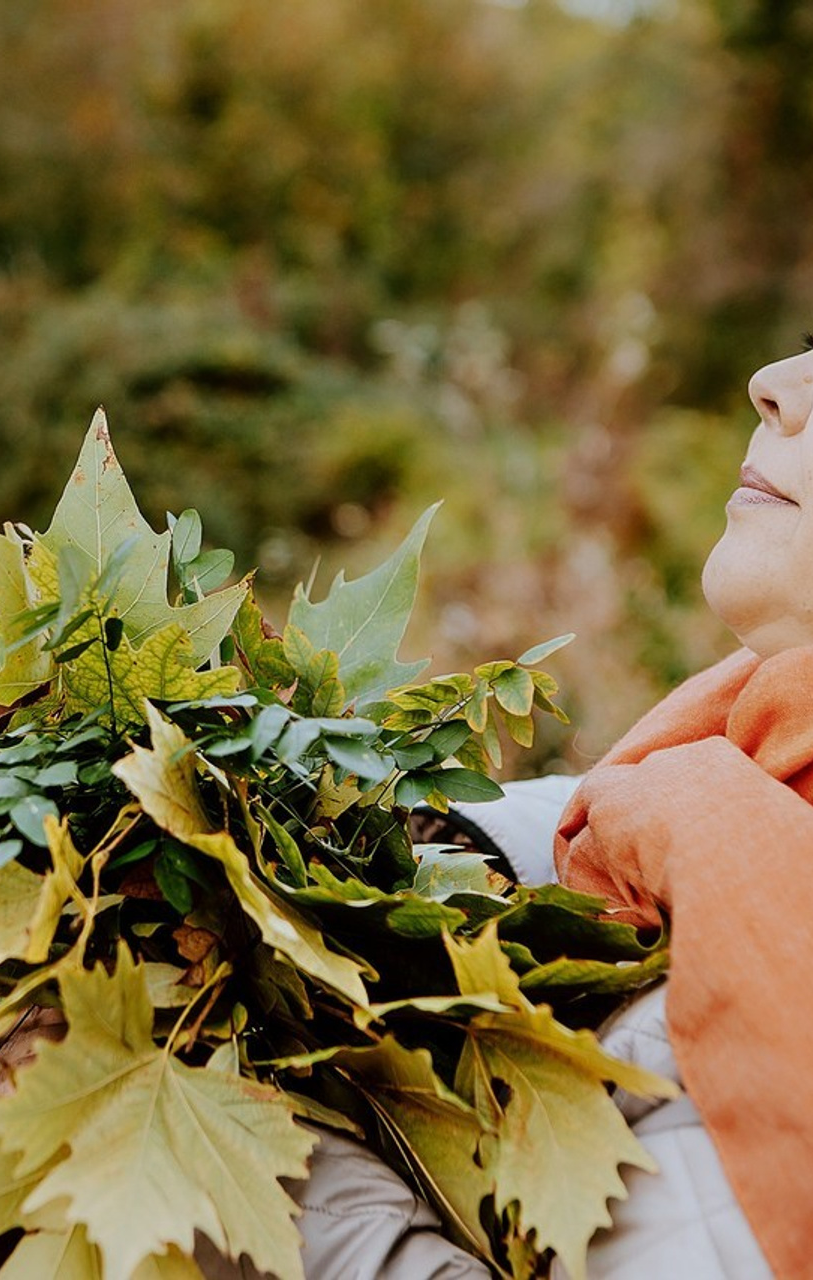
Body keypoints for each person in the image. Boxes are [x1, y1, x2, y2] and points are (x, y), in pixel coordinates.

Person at [225, 346, 813, 1279]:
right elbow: (567, 823)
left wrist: (247, 1146)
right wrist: (344, 831)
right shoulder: (730, 770)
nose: (775, 379)